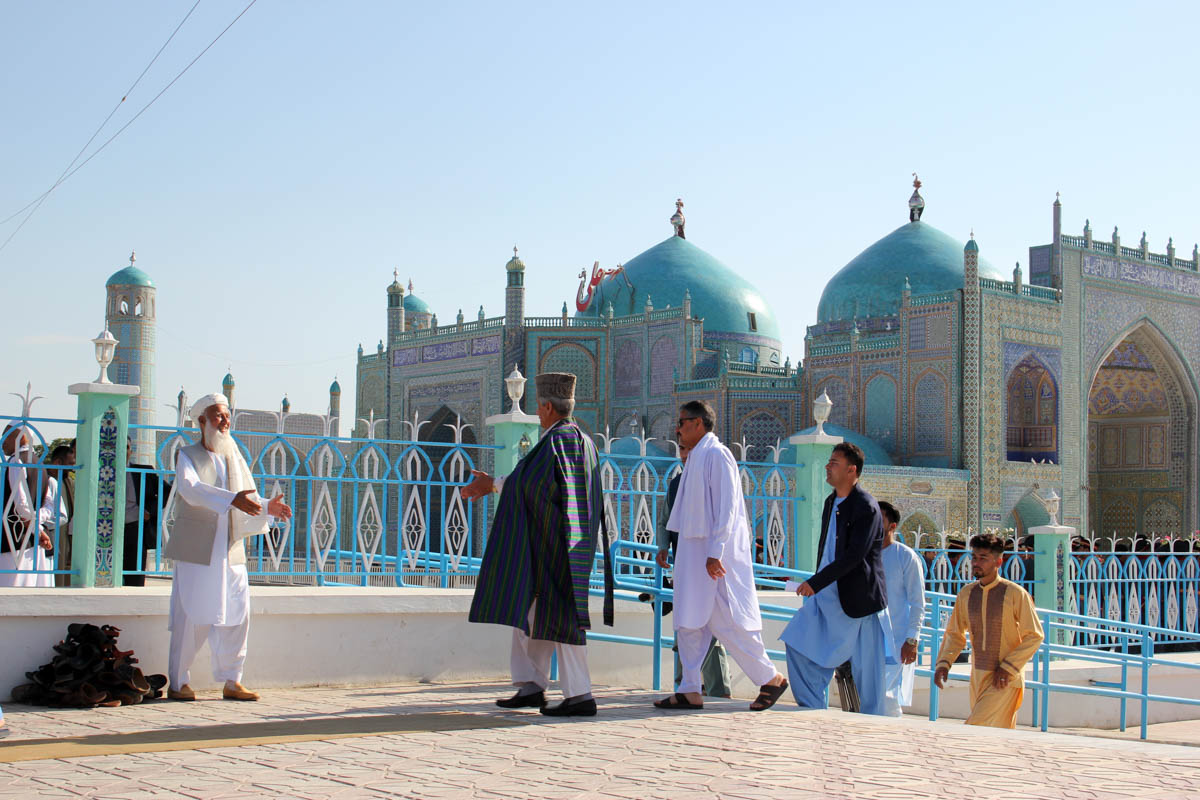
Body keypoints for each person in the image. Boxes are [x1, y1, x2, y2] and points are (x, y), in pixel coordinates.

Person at [465, 372, 614, 717]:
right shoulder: (582, 441)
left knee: (562, 619)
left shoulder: (556, 442)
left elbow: (528, 485)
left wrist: (491, 485)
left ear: (547, 407)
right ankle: (532, 687)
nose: (537, 410)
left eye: (538, 405)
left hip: (553, 547)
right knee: (531, 616)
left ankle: (580, 695)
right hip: (568, 545)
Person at [653, 400, 787, 712]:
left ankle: (771, 678)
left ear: (699, 423)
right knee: (688, 623)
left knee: (730, 623)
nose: (678, 428)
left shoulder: (717, 455)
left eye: (683, 422)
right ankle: (689, 688)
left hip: (715, 560)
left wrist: (715, 552)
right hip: (693, 558)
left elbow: (728, 508)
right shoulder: (696, 459)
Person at [164, 393, 292, 702]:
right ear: (202, 421)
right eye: (218, 415)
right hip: (198, 548)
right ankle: (178, 682)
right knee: (192, 615)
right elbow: (191, 490)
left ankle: (232, 680)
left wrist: (265, 506)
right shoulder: (188, 455)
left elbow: (244, 497)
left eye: (226, 415)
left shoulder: (233, 455)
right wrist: (232, 499)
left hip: (230, 548)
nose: (224, 421)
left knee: (238, 612)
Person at [779, 442, 894, 716]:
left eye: (834, 463)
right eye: (828, 462)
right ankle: (813, 709)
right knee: (799, 643)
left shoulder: (866, 507)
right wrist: (818, 584)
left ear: (851, 470)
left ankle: (874, 729)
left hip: (859, 602)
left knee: (869, 678)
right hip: (827, 597)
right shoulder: (832, 501)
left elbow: (854, 556)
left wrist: (815, 582)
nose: (828, 467)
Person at [933, 532, 1045, 728]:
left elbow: (1034, 635)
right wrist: (944, 662)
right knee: (994, 737)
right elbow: (955, 633)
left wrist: (1009, 667)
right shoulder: (966, 594)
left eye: (983, 558)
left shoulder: (1015, 594)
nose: (976, 563)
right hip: (978, 677)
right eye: (974, 558)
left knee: (975, 728)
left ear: (998, 562)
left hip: (1004, 680)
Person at [654, 443, 732, 698]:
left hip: (711, 568)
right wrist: (663, 546)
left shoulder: (713, 480)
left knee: (714, 629)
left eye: (690, 450)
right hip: (685, 568)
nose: (685, 456)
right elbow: (666, 520)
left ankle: (719, 690)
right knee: (686, 626)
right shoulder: (677, 484)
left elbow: (726, 519)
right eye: (683, 451)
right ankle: (686, 686)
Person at [1, 425, 66, 587]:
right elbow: (50, 507)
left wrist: (37, 530)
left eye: (6, 436)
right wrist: (39, 528)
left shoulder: (16, 462)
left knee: (10, 594)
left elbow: (21, 505)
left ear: (21, 437)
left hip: (13, 541)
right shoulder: (40, 465)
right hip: (33, 545)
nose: (2, 442)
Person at [877, 501, 924, 717]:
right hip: (865, 636)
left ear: (892, 526)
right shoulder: (862, 555)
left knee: (888, 697)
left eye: (880, 519)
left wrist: (912, 639)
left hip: (895, 640)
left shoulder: (905, 557)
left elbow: (917, 602)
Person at [123, 436, 172, 586]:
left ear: (131, 451)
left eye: (126, 447)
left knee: (134, 576)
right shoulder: (100, 472)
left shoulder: (142, 471)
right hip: (106, 531)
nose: (123, 450)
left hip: (135, 529)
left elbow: (167, 491)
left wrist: (150, 510)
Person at [47, 442, 76, 586]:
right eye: (70, 464)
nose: (72, 467)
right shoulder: (44, 479)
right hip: (48, 532)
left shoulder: (68, 481)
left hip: (65, 535)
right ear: (58, 462)